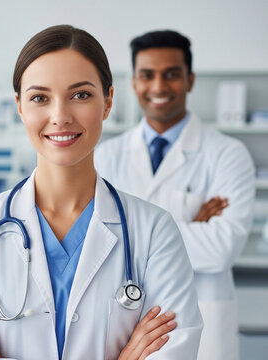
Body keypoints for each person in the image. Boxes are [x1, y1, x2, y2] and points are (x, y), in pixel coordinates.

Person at [0, 25, 203, 359]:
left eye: (81, 95)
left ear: (108, 101)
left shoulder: (154, 230)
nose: (60, 116)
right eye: (39, 98)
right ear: (20, 106)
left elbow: (175, 350)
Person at [95, 30, 255, 360]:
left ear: (190, 80)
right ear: (133, 82)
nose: (158, 87)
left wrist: (129, 232)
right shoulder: (106, 156)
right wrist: (185, 224)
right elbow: (92, 243)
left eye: (171, 74)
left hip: (202, 325)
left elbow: (220, 250)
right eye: (147, 75)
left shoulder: (228, 154)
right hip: (122, 327)